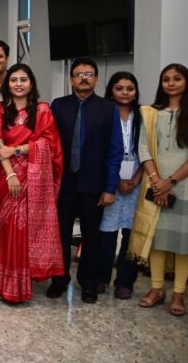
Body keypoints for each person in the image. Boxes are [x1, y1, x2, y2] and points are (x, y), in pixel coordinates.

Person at [0, 64, 64, 303]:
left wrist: (17, 150)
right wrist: (10, 174)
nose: (18, 84)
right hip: (4, 177)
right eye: (14, 80)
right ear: (7, 84)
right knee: (4, 229)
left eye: (23, 80)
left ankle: (18, 286)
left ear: (31, 83)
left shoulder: (42, 110)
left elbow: (49, 145)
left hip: (33, 177)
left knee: (21, 230)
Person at [48, 58, 123, 304]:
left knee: (91, 236)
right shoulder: (58, 106)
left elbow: (115, 150)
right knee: (60, 234)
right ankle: (59, 279)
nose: (83, 78)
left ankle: (89, 283)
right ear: (71, 79)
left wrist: (110, 187)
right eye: (78, 74)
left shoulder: (108, 108)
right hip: (63, 183)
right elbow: (49, 144)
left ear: (96, 79)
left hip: (94, 184)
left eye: (89, 74)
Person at [131, 63, 188, 316]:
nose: (171, 83)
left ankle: (178, 293)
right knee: (157, 239)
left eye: (177, 78)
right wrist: (157, 181)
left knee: (183, 242)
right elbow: (143, 148)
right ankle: (156, 288)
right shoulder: (151, 113)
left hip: (184, 186)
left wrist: (170, 181)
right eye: (166, 79)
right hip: (155, 184)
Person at [98, 72, 142, 300]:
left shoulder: (144, 116)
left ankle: (125, 282)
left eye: (130, 88)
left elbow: (150, 152)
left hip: (137, 180)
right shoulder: (104, 114)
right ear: (111, 91)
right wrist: (114, 181)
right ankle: (101, 278)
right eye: (119, 88)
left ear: (135, 92)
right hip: (109, 179)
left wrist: (135, 180)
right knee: (106, 233)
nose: (125, 92)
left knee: (132, 233)